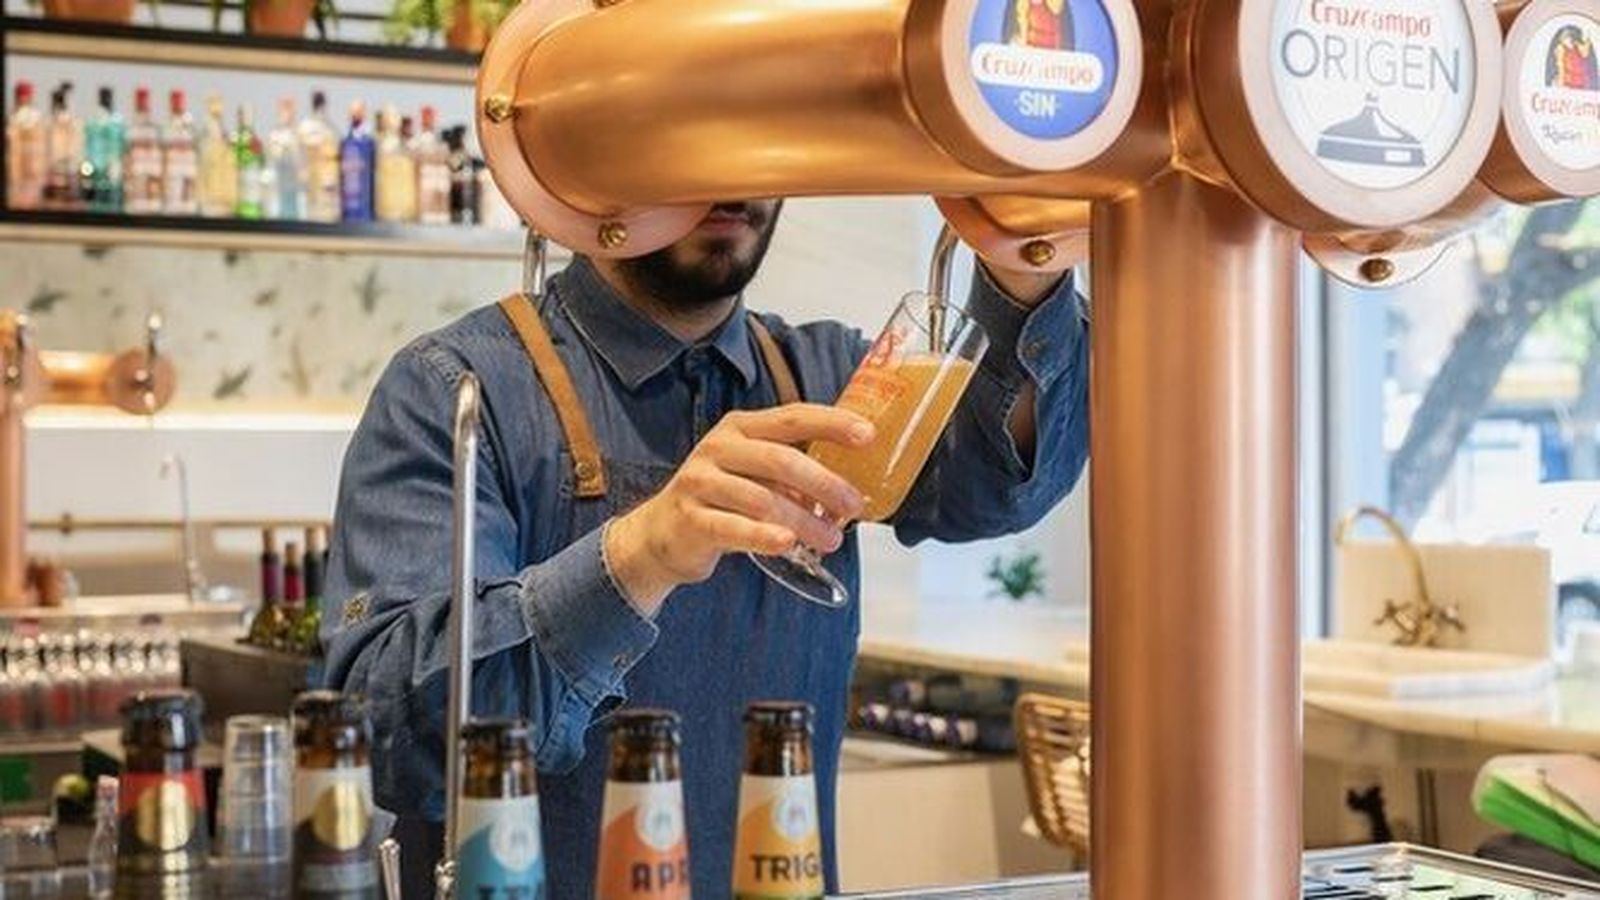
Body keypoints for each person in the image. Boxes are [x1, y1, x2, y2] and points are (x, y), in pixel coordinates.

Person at [321, 200, 1090, 897]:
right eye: (702, 143)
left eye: (758, 149)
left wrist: (1024, 254)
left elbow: (999, 486)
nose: (733, 182)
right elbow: (390, 739)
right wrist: (636, 557)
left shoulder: (825, 379)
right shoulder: (457, 390)